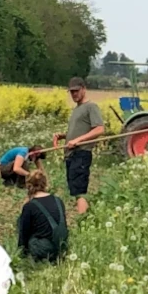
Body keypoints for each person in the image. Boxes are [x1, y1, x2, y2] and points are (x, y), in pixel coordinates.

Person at [53, 77, 105, 215]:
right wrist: (64, 136)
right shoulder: (77, 109)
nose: (74, 94)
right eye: (71, 92)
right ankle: (85, 218)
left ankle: (84, 221)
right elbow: (80, 131)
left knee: (80, 191)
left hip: (81, 153)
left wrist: (77, 141)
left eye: (76, 91)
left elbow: (99, 129)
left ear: (83, 89)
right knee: (75, 190)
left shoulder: (91, 107)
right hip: (72, 154)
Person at [17, 170, 69, 263]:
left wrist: (21, 253)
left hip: (44, 249)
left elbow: (24, 232)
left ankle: (36, 258)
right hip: (61, 246)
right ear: (45, 184)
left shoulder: (30, 206)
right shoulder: (58, 200)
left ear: (29, 185)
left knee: (20, 220)